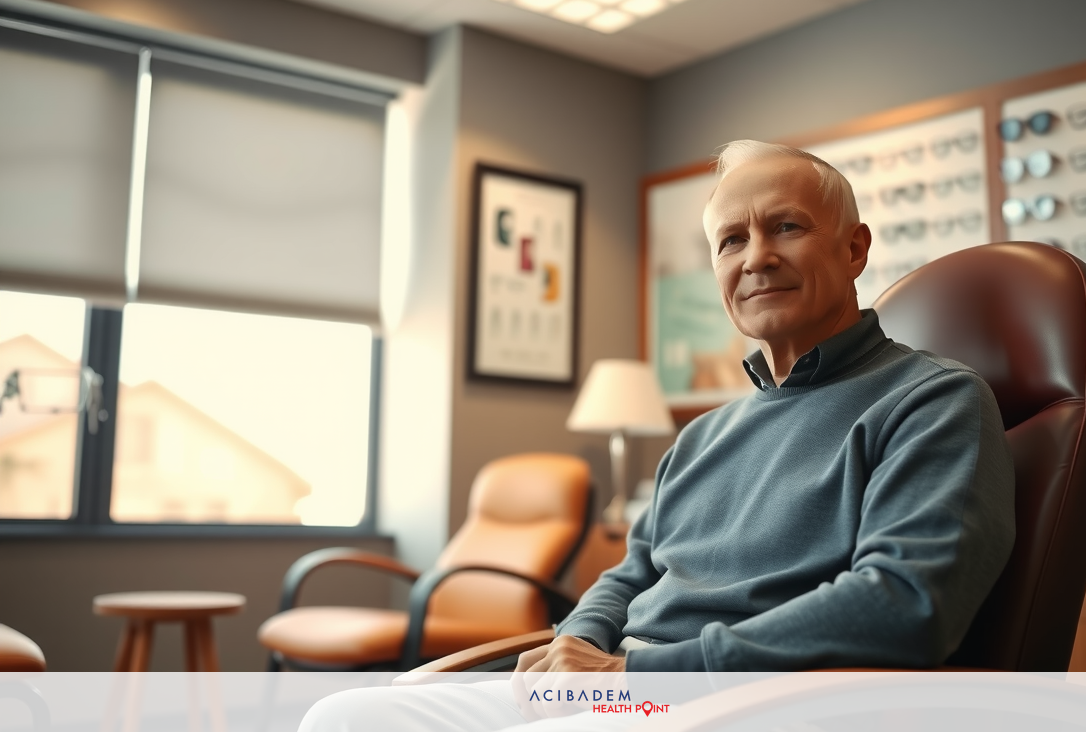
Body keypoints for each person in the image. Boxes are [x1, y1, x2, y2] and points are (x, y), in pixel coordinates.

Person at [299, 141, 1015, 729]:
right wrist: (578, 640)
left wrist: (634, 673)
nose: (756, 256)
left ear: (855, 249)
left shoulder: (933, 400)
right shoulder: (703, 437)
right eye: (731, 240)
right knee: (345, 716)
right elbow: (632, 571)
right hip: (624, 685)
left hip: (748, 701)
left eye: (786, 227)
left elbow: (902, 604)